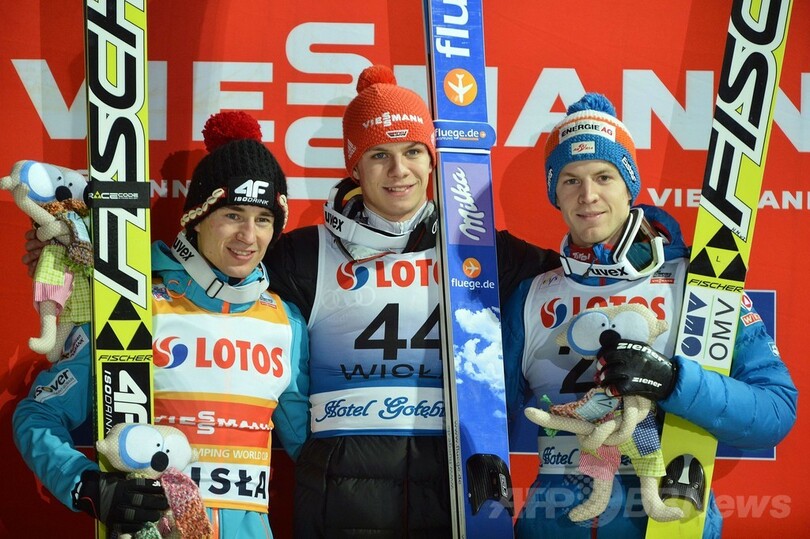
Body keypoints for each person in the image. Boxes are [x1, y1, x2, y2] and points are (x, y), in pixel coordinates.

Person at [265, 64, 559, 537]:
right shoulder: (301, 254)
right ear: (354, 166)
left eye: (413, 152)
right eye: (379, 155)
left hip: (452, 493)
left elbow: (585, 278)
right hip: (341, 500)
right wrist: (317, 453)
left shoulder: (483, 250)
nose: (399, 171)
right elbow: (268, 351)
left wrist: (656, 247)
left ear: (432, 159)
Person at [501, 92, 798, 538]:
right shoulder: (532, 295)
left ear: (629, 184)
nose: (588, 196)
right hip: (554, 525)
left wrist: (674, 381)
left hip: (672, 524)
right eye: (570, 180)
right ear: (553, 193)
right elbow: (486, 418)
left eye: (604, 176)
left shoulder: (697, 283)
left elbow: (775, 410)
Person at [13, 111, 310, 538]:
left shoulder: (286, 323)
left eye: (263, 219)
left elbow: (312, 451)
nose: (249, 235)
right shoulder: (132, 305)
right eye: (232, 214)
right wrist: (86, 486)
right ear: (197, 217)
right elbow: (37, 413)